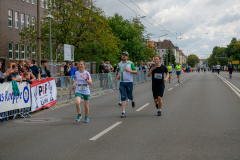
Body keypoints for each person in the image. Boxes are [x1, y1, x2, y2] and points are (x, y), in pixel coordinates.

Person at [117, 51, 137, 118]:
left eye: (125, 55)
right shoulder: (119, 64)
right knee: (123, 96)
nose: (124, 56)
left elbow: (136, 71)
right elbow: (119, 71)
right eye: (123, 55)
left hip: (129, 82)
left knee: (129, 96)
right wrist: (118, 76)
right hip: (122, 82)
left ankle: (132, 100)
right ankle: (123, 112)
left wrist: (129, 71)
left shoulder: (130, 63)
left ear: (127, 57)